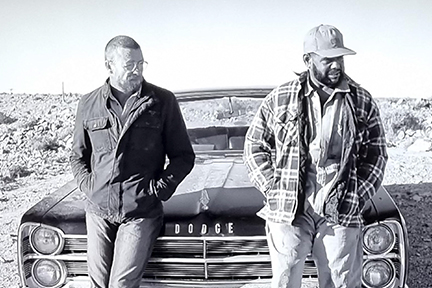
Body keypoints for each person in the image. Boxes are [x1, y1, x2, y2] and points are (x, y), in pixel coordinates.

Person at [243, 24, 387, 288]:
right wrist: (274, 189)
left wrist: (356, 194)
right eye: (327, 59)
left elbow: (376, 154)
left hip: (340, 209)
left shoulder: (360, 101)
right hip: (290, 209)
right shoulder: (281, 98)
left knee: (341, 282)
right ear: (308, 60)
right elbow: (254, 145)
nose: (336, 66)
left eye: (339, 58)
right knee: (285, 281)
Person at [70, 35, 195, 288]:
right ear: (109, 66)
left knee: (121, 284)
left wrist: (157, 190)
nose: (137, 70)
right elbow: (77, 155)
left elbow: (184, 156)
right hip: (98, 212)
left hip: (140, 212)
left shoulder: (161, 102)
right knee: (97, 283)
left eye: (141, 63)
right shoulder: (89, 103)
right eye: (130, 65)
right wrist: (89, 186)